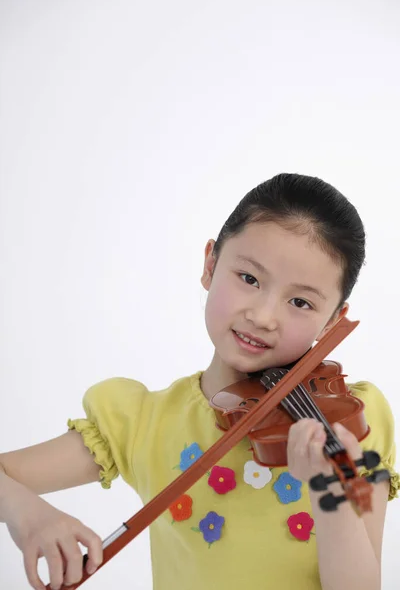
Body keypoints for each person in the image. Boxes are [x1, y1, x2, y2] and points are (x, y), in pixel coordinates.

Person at [0, 173, 398, 590]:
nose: (263, 316)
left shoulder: (353, 421)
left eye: (300, 302)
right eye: (249, 278)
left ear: (333, 320)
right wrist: (29, 515)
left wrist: (326, 490)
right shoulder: (143, 422)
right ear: (210, 263)